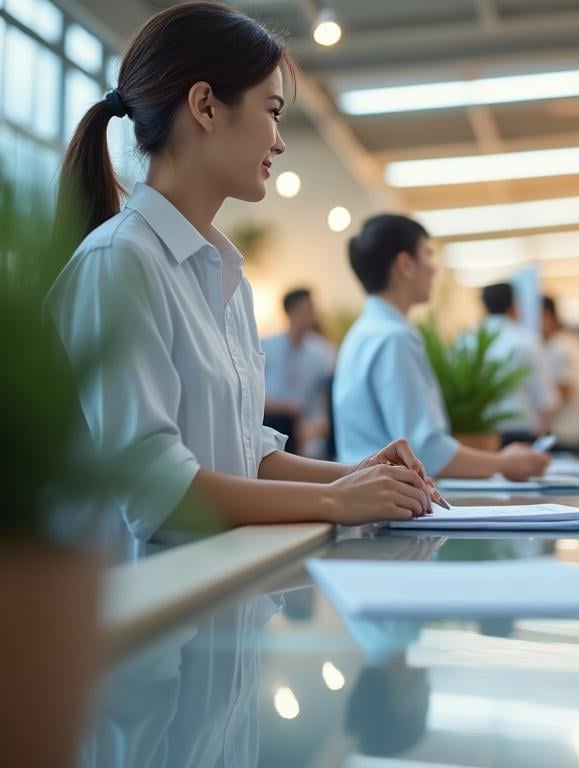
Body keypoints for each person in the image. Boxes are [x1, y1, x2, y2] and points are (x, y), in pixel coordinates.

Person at [47, 2, 438, 545]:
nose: (278, 140)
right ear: (205, 105)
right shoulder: (119, 262)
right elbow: (157, 491)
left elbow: (242, 452)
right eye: (272, 110)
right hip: (139, 609)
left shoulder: (224, 277)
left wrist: (358, 474)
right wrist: (335, 499)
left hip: (216, 595)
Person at [333, 214, 549, 480]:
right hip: (385, 502)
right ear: (405, 264)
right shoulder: (394, 338)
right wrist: (505, 463)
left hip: (368, 492)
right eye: (427, 254)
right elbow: (426, 451)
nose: (434, 268)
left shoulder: (364, 332)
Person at [479, 282, 560, 444]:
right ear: (514, 305)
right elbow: (547, 399)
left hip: (479, 438)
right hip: (522, 437)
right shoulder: (527, 340)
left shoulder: (465, 342)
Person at [262, 287, 335, 457]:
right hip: (269, 422)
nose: (312, 313)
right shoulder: (265, 346)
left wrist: (316, 426)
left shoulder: (323, 353)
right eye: (306, 307)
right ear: (290, 311)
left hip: (305, 429)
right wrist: (287, 408)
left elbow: (326, 400)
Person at [541, 295, 579, 451]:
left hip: (562, 435)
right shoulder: (577, 343)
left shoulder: (559, 347)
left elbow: (564, 391)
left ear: (546, 316)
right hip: (578, 430)